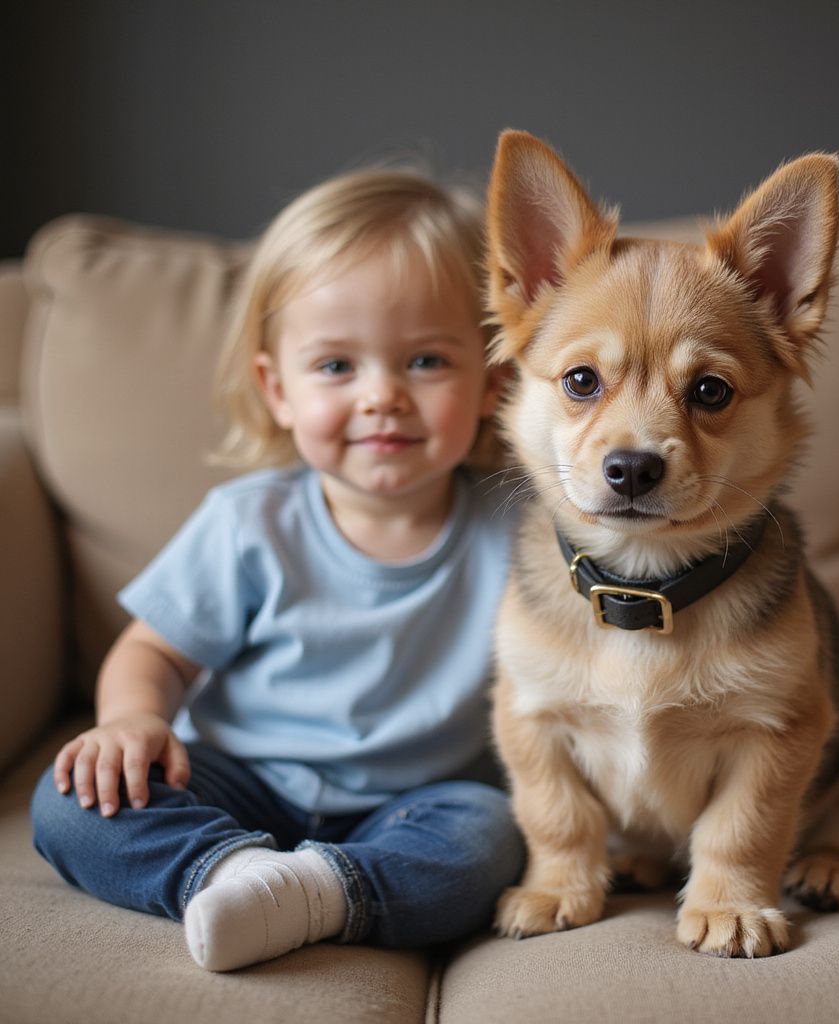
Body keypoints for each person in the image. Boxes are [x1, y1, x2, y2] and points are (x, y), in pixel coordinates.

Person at [31, 168, 524, 972]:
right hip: (239, 775)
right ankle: (230, 873)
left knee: (490, 839)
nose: (382, 397)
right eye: (336, 367)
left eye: (427, 361)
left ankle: (323, 892)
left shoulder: (519, 530)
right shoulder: (250, 522)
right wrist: (131, 721)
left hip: (417, 801)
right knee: (69, 804)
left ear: (492, 382)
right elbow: (154, 651)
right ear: (278, 390)